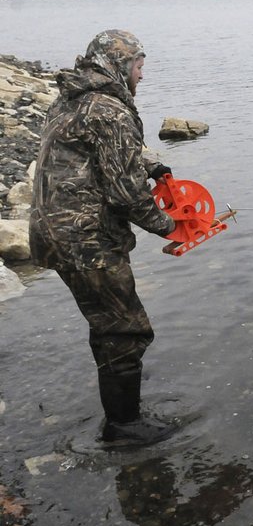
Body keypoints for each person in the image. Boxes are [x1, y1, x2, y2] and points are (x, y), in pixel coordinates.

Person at [29, 29, 179, 446]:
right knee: (126, 328)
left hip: (52, 231)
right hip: (86, 240)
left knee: (107, 322)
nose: (142, 76)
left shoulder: (72, 98)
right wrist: (172, 226)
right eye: (138, 66)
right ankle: (123, 428)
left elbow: (100, 152)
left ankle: (120, 405)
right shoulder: (110, 111)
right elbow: (126, 192)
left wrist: (151, 164)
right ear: (119, 65)